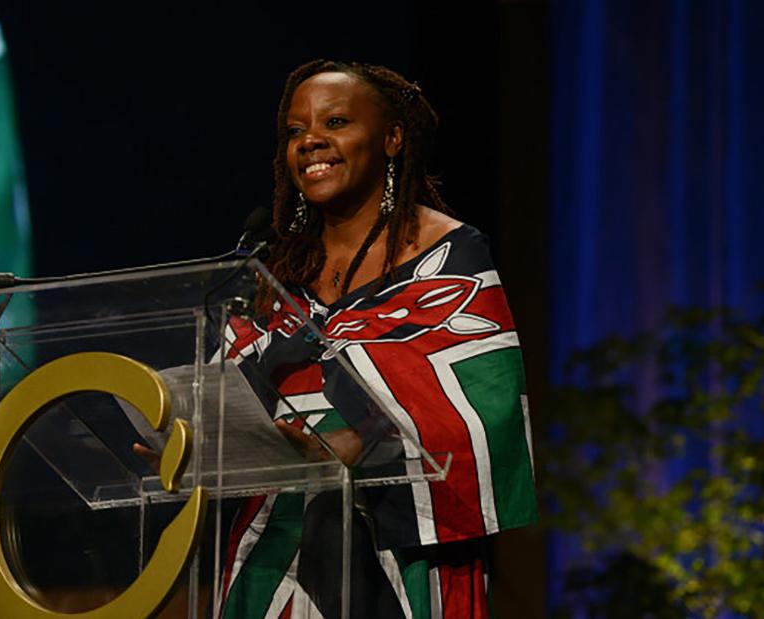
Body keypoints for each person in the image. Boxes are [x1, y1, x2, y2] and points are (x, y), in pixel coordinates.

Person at [218, 59, 538, 618]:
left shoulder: (448, 255)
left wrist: (359, 441)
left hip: (403, 543)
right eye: (296, 131)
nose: (311, 141)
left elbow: (488, 399)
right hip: (273, 548)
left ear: (392, 139)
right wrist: (188, 432)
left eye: (335, 122)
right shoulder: (271, 269)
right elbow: (226, 386)